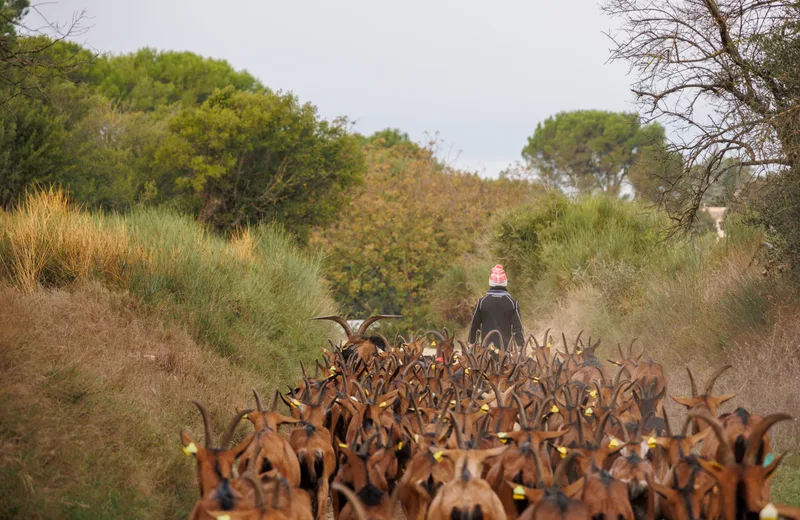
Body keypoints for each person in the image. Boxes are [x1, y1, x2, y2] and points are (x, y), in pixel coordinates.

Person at [468, 264, 524, 349]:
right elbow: (517, 328)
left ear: (490, 282)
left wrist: (471, 342)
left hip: (486, 352)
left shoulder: (482, 302)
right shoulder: (512, 303)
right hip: (505, 352)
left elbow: (474, 325)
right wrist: (521, 345)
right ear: (505, 283)